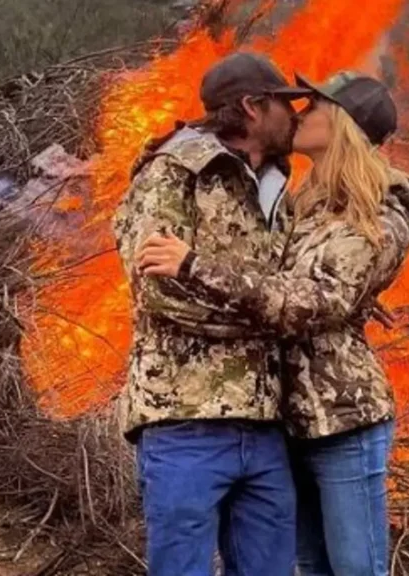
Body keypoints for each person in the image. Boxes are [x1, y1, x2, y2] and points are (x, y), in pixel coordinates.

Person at [137, 71, 409, 576]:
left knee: (357, 568)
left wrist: (194, 265)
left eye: (313, 106)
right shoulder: (306, 203)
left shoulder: (379, 215)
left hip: (344, 419)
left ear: (342, 125)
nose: (300, 113)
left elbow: (315, 301)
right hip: (289, 418)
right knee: (311, 565)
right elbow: (285, 281)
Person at [111, 52, 310, 576]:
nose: (296, 116)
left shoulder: (277, 186)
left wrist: (267, 300)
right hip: (184, 423)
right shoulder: (173, 173)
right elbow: (162, 293)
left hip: (266, 425)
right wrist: (271, 311)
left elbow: (294, 291)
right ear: (252, 106)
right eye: (286, 105)